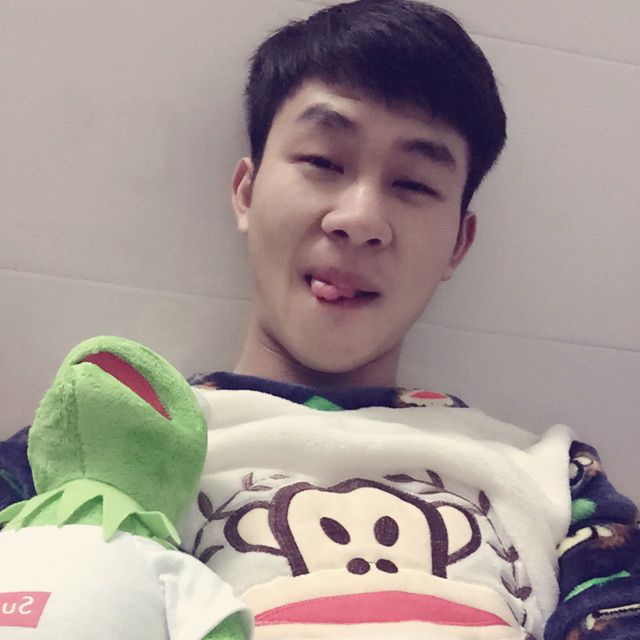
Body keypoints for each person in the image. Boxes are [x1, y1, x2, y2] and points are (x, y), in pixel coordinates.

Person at [1, 1, 638, 639]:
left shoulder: (554, 477)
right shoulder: (106, 434)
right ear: (246, 192)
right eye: (323, 162)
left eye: (414, 185)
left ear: (458, 244)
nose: (360, 219)